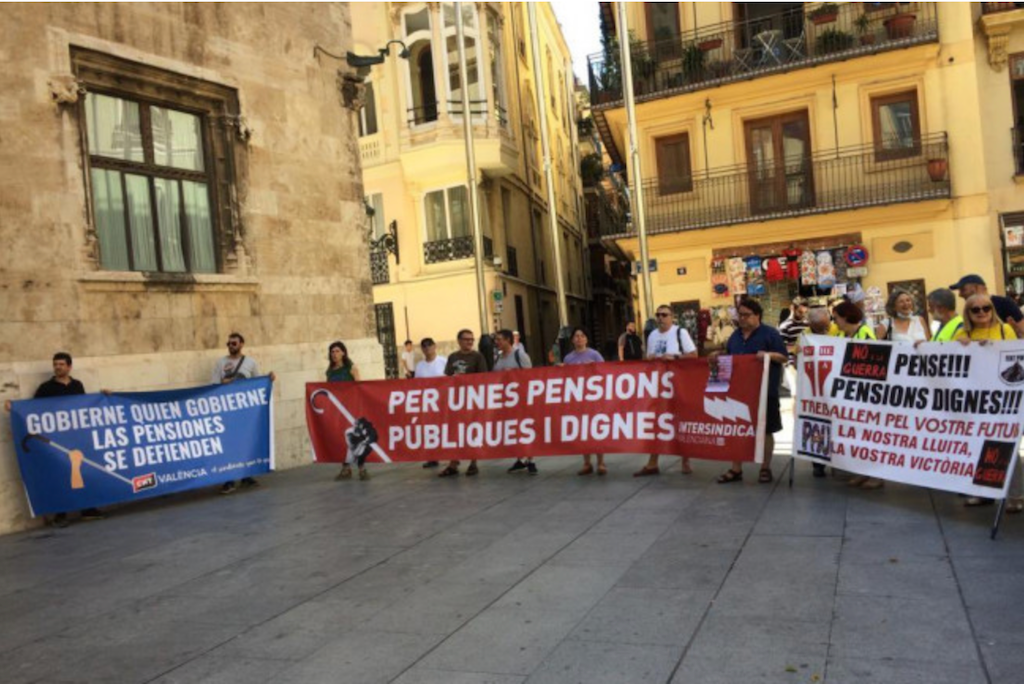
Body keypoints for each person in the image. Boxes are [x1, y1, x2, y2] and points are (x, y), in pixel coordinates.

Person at [4, 352, 103, 527]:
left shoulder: (77, 385)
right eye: (55, 364)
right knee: (60, 474)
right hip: (56, 439)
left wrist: (104, 396)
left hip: (76, 437)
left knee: (83, 469)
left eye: (61, 364)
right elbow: (32, 409)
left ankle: (88, 509)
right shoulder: (46, 388)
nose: (57, 367)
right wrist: (15, 407)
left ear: (69, 367)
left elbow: (85, 406)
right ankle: (60, 512)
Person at [954, 293, 1020, 508]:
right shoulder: (961, 333)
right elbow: (943, 358)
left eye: (986, 308)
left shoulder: (1005, 330)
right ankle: (984, 492)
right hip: (975, 401)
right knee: (978, 446)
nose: (982, 312)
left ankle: (1014, 496)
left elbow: (1016, 357)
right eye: (976, 309)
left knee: (1007, 447)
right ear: (968, 313)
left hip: (1004, 400)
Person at [713, 298, 787, 485]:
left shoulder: (770, 334)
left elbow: (783, 357)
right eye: (740, 315)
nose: (742, 319)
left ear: (757, 316)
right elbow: (728, 360)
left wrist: (768, 355)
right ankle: (736, 469)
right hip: (738, 391)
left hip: (765, 390)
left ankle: (765, 468)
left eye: (747, 315)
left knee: (766, 429)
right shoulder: (734, 337)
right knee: (736, 429)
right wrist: (718, 359)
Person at [634, 305, 697, 477]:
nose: (661, 318)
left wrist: (674, 357)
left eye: (664, 315)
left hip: (677, 383)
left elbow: (693, 355)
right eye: (658, 315)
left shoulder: (680, 332)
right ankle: (652, 463)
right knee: (657, 422)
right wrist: (652, 359)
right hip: (658, 385)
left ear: (672, 317)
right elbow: (648, 358)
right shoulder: (653, 335)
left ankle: (685, 459)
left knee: (680, 420)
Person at [213, 333, 275, 494]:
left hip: (246, 412)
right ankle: (229, 479)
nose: (231, 345)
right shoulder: (221, 362)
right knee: (229, 444)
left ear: (241, 344)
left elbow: (258, 383)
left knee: (245, 442)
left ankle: (246, 475)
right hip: (227, 411)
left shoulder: (251, 363)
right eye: (229, 343)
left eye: (234, 343)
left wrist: (269, 379)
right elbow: (213, 385)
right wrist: (222, 383)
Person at [439, 329, 488, 477]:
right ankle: (453, 463)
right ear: (459, 341)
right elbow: (446, 377)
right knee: (455, 431)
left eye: (472, 340)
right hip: (456, 400)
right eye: (467, 339)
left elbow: (483, 377)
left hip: (472, 399)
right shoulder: (453, 357)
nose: (470, 342)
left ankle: (473, 462)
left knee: (472, 430)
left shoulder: (478, 357)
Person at [561, 328, 607, 476]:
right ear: (573, 340)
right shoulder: (568, 358)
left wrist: (594, 366)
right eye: (576, 336)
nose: (579, 338)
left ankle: (601, 462)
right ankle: (587, 462)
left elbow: (606, 373)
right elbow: (565, 378)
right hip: (577, 398)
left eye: (582, 336)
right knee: (582, 430)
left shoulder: (594, 354)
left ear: (586, 339)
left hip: (593, 397)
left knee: (596, 429)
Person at [493, 330, 538, 475]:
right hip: (506, 401)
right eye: (496, 339)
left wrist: (513, 372)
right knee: (514, 429)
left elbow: (530, 376)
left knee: (525, 429)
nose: (497, 342)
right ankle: (519, 458)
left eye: (500, 339)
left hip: (521, 399)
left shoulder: (520, 355)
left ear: (508, 340)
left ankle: (531, 460)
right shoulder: (498, 358)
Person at [326, 341, 367, 480]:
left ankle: (362, 468)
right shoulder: (330, 371)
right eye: (332, 352)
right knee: (341, 439)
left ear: (343, 352)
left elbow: (359, 387)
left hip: (351, 407)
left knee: (357, 438)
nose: (334, 354)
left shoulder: (351, 368)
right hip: (338, 410)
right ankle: (346, 468)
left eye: (337, 351)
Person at [950, 274, 1024, 338]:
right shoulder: (961, 333)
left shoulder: (1005, 304)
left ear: (976, 288)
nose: (960, 294)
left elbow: (1022, 329)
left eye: (963, 289)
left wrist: (1016, 333)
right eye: (975, 310)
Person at [414, 338, 447, 469]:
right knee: (429, 430)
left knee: (444, 428)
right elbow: (416, 384)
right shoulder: (420, 365)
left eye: (429, 345)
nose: (427, 348)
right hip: (427, 404)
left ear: (435, 346)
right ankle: (432, 457)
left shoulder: (443, 362)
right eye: (424, 346)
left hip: (442, 402)